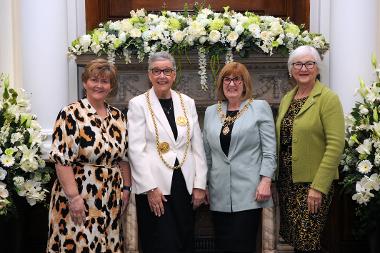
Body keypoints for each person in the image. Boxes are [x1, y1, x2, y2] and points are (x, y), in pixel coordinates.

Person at [47, 58, 131, 253]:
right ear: (85, 82)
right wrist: (74, 198)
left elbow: (124, 158)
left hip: (111, 198)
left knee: (107, 245)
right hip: (80, 196)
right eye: (94, 80)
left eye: (105, 81)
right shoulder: (70, 113)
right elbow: (62, 160)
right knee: (78, 244)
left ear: (111, 86)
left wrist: (126, 188)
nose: (99, 85)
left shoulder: (118, 116)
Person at [127, 51, 208, 253]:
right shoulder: (138, 104)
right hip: (155, 187)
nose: (162, 76)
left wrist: (200, 185)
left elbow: (197, 146)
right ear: (149, 74)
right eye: (156, 71)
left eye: (166, 71)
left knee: (184, 239)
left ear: (174, 74)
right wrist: (149, 188)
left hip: (184, 183)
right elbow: (135, 150)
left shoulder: (186, 102)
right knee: (160, 242)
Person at [275, 45, 345, 253]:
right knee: (295, 240)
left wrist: (318, 187)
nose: (303, 68)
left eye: (309, 63)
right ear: (291, 69)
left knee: (308, 241)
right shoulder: (288, 98)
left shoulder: (328, 98)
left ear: (317, 68)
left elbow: (335, 144)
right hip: (287, 183)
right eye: (298, 64)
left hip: (312, 185)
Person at [203, 62, 277, 253]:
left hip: (250, 192)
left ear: (245, 83)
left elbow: (269, 150)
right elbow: (207, 154)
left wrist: (266, 180)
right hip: (218, 193)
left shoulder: (259, 108)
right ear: (221, 84)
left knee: (243, 246)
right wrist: (204, 184)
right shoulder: (212, 112)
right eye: (227, 79)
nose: (232, 84)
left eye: (237, 79)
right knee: (222, 245)